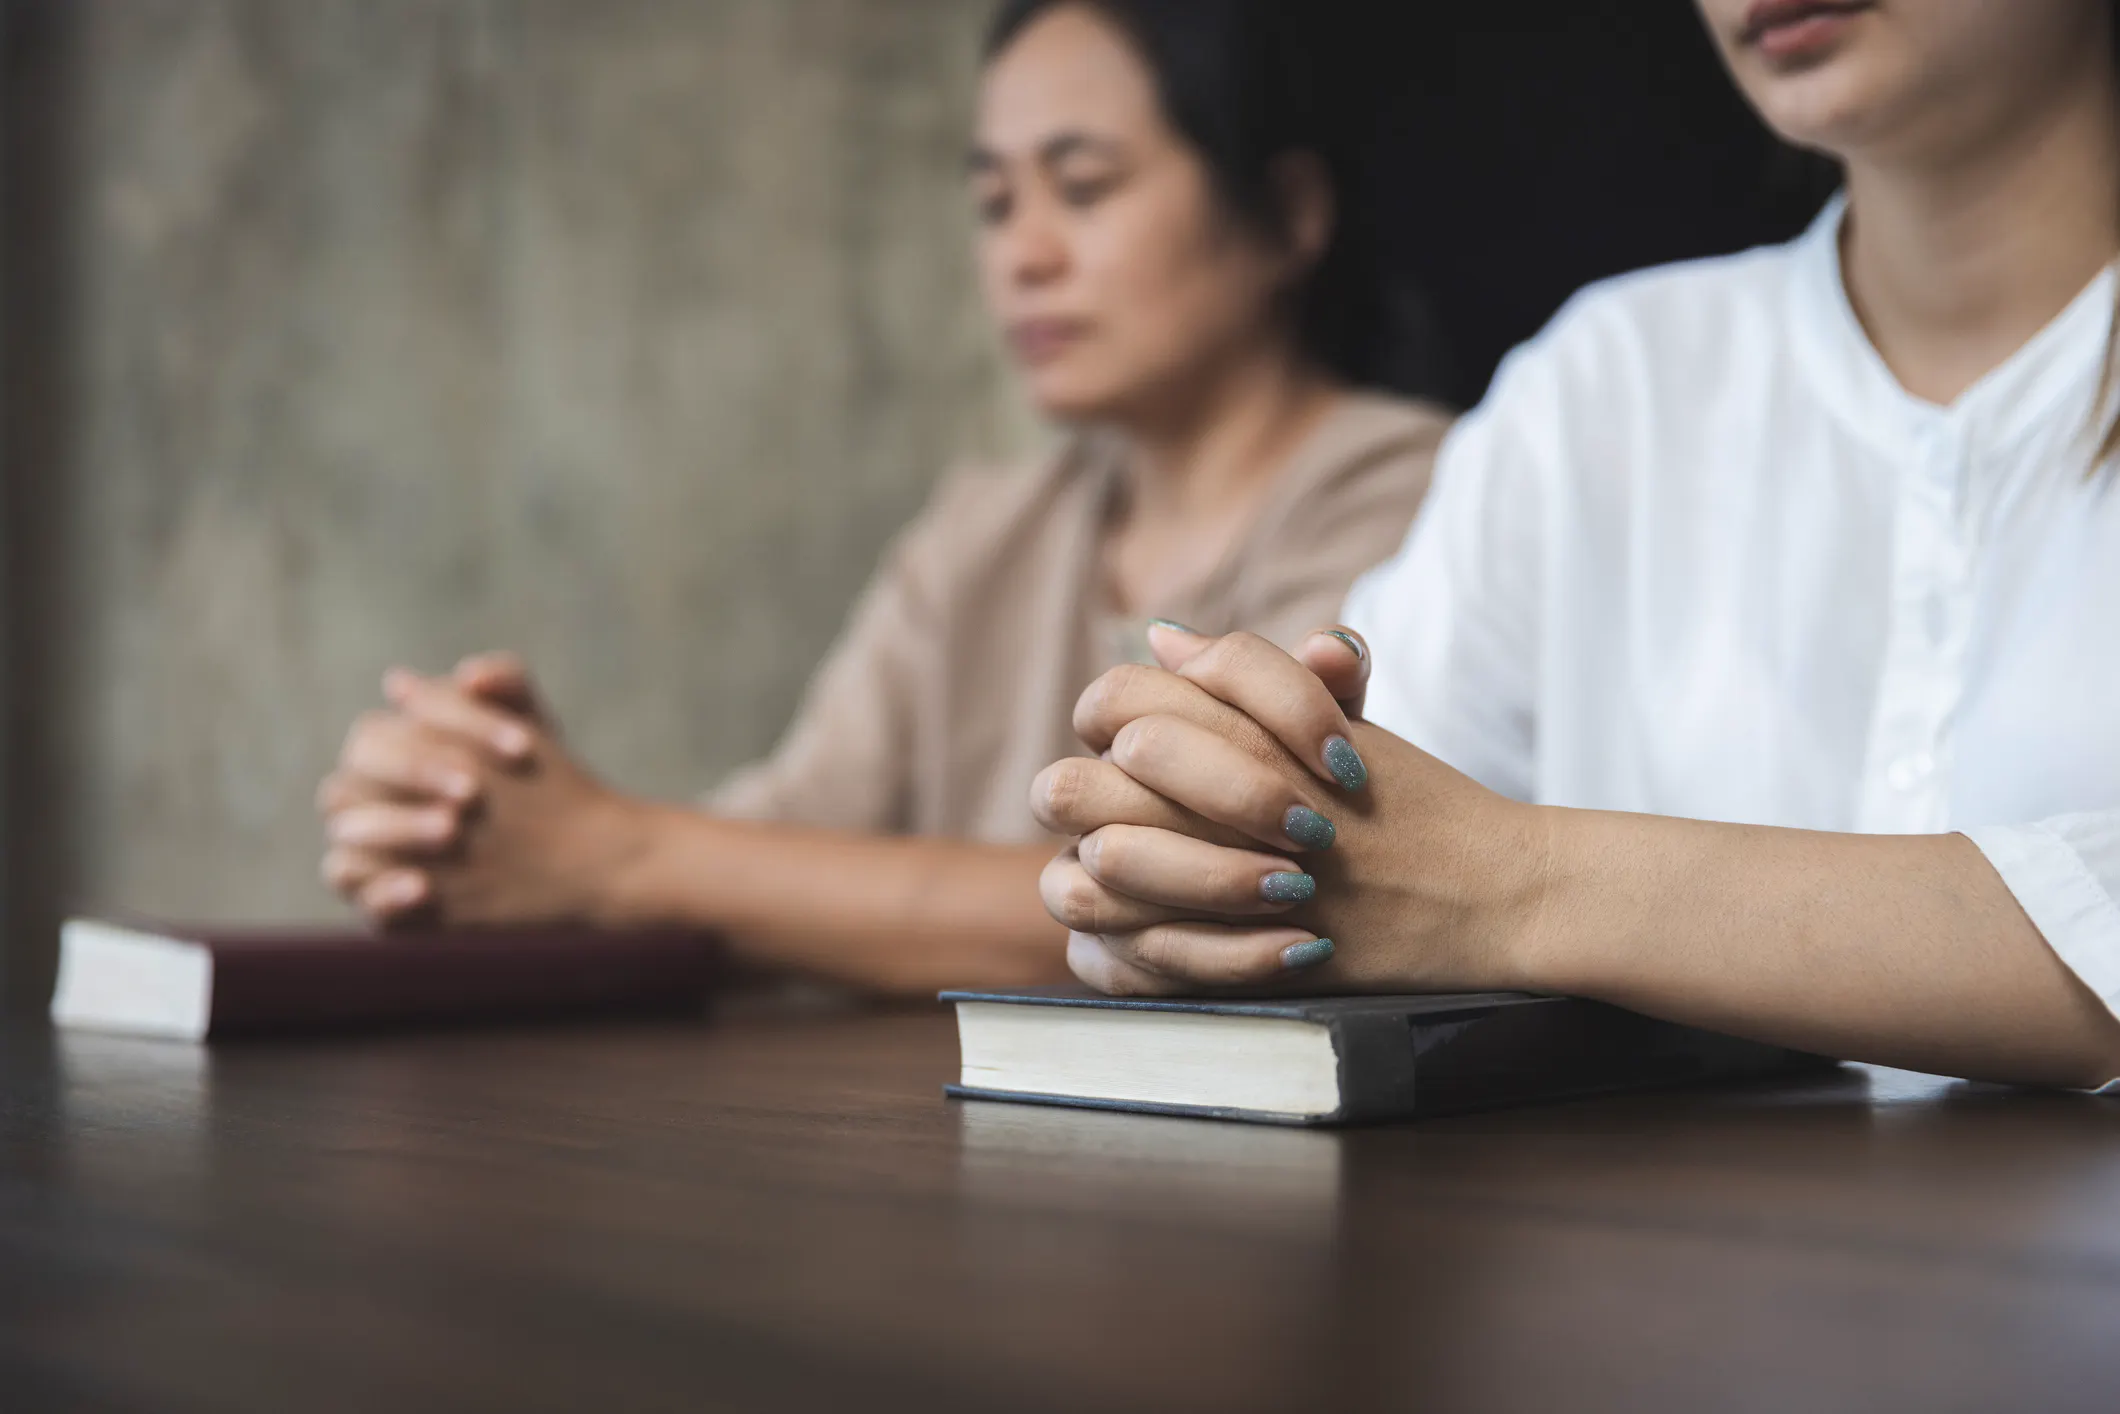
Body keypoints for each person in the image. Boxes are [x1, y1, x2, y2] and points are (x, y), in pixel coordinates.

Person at [1035, 0, 2120, 1089]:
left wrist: (1515, 886)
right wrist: (1206, 841)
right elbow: (1364, 851)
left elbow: (1443, 876)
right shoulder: (1605, 386)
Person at [313, 0, 1454, 995]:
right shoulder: (982, 532)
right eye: (996, 203)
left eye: (1082, 186)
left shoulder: (1424, 493)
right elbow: (779, 846)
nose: (1024, 254)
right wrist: (503, 812)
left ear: (1290, 214)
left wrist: (613, 855)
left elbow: (1219, 894)